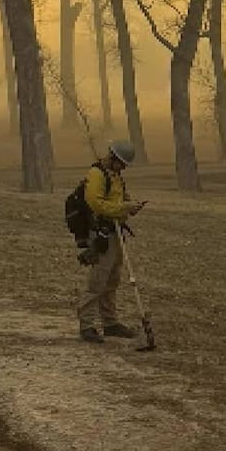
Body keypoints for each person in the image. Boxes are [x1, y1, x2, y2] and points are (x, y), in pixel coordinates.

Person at [77, 139, 145, 344]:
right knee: (97, 280)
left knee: (112, 279)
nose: (123, 168)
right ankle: (87, 326)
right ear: (113, 158)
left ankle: (110, 323)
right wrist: (123, 208)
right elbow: (97, 204)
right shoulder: (96, 174)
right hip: (100, 233)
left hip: (116, 232)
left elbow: (118, 200)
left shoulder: (115, 176)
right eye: (122, 163)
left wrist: (130, 205)